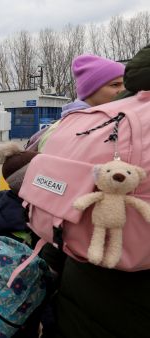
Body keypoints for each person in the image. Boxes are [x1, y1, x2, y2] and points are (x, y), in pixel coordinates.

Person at [54, 44, 150, 338]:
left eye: (123, 82)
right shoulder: (115, 123)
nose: (121, 89)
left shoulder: (75, 127)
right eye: (114, 84)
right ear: (89, 90)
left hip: (75, 273)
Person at [27, 54, 125, 151]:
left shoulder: (108, 121)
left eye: (125, 84)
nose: (124, 90)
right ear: (91, 89)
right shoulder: (65, 129)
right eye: (115, 85)